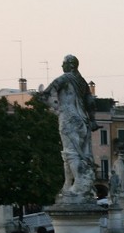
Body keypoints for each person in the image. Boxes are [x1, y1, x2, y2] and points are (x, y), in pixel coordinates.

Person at [40, 54, 98, 198]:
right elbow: (90, 102)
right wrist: (93, 120)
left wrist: (56, 108)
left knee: (70, 153)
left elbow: (44, 95)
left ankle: (78, 184)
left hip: (68, 118)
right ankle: (68, 184)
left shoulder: (64, 79)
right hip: (83, 121)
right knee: (76, 154)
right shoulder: (83, 82)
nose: (62, 66)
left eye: (64, 63)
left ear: (70, 65)